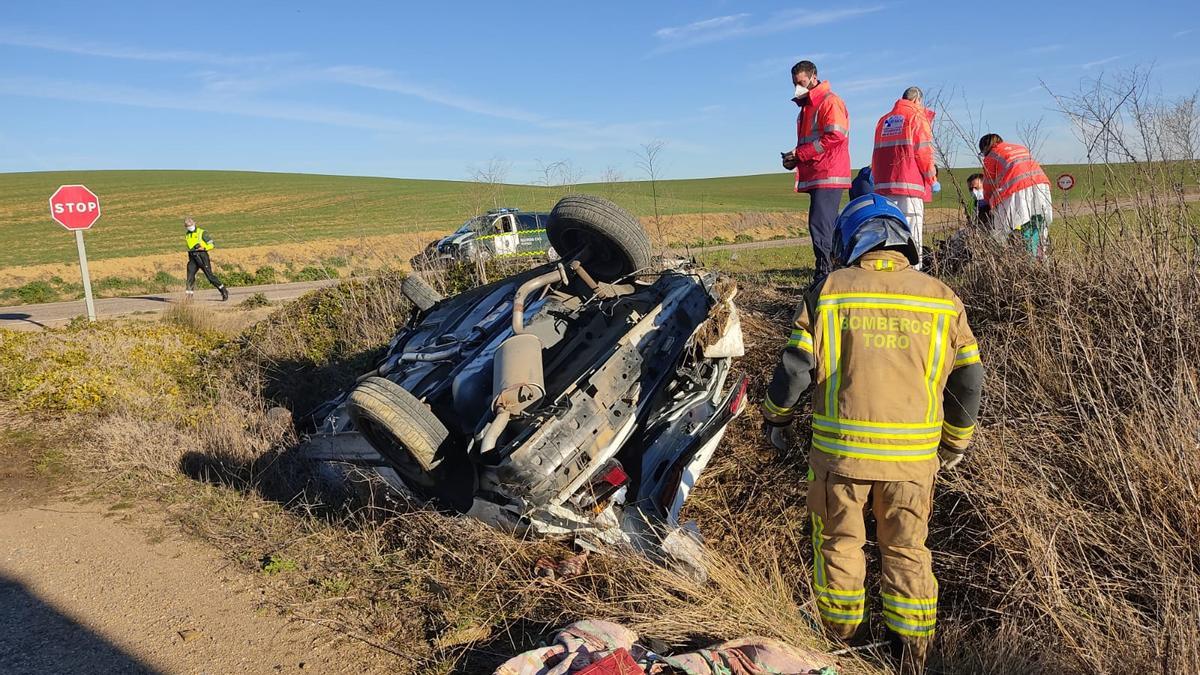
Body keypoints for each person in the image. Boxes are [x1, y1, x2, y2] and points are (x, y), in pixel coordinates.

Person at [760, 194, 984, 673]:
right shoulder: (943, 298)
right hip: (914, 461)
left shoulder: (830, 290)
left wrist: (775, 417)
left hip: (840, 459)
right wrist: (955, 441)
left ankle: (845, 648)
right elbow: (969, 379)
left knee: (840, 543)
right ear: (904, 240)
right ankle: (910, 657)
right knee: (906, 549)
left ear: (850, 239)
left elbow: (795, 370)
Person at [781, 60, 851, 282]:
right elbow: (811, 142)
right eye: (794, 83)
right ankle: (831, 269)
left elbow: (836, 135)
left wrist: (801, 155)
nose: (797, 88)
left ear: (813, 77)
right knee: (822, 224)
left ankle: (825, 274)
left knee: (820, 225)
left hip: (829, 173)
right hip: (816, 173)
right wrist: (794, 157)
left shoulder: (830, 102)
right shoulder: (806, 107)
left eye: (801, 82)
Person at [871, 87, 937, 269]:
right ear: (917, 101)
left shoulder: (884, 121)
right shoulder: (916, 117)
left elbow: (876, 155)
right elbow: (924, 152)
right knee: (912, 232)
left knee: (889, 233)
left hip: (884, 187)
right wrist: (932, 179)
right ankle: (914, 273)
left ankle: (891, 270)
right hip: (910, 186)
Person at [979, 134, 1052, 257]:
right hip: (1040, 186)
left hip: (1017, 190)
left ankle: (1029, 262)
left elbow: (988, 184)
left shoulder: (991, 156)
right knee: (1038, 223)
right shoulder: (1019, 147)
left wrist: (986, 203)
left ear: (985, 148)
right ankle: (1041, 259)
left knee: (1022, 224)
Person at [184, 217, 229, 301]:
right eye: (187, 226)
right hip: (192, 256)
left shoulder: (202, 232)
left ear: (194, 223)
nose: (189, 227)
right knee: (190, 276)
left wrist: (203, 248)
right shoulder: (187, 234)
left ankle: (223, 290)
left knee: (210, 276)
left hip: (202, 255)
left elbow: (212, 244)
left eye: (190, 225)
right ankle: (189, 297)